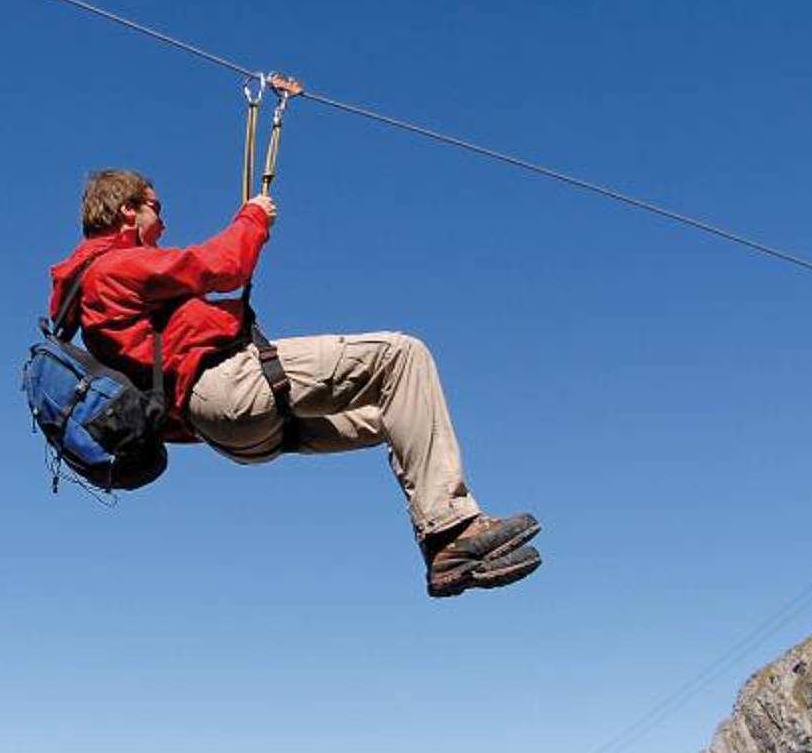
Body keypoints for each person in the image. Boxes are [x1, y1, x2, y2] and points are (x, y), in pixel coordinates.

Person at [44, 168, 541, 596]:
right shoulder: (117, 265)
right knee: (402, 356)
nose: (164, 220)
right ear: (127, 210)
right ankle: (451, 528)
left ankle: (447, 554)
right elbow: (221, 265)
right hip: (230, 390)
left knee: (398, 414)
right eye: (157, 207)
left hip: (229, 433)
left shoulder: (85, 302)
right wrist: (254, 216)